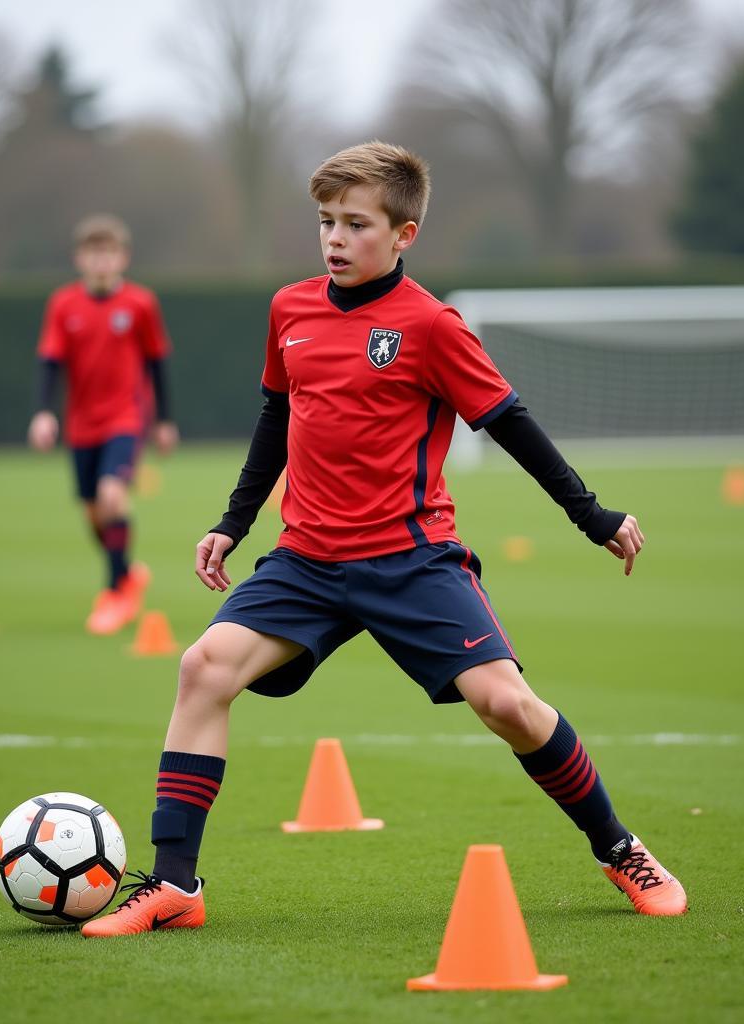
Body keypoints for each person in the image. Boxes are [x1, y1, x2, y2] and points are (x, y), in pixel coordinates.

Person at [82, 143, 686, 938]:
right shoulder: (289, 310)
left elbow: (509, 422)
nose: (334, 238)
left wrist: (592, 515)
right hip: (306, 560)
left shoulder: (432, 325)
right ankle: (174, 883)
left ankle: (620, 847)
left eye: (355, 224)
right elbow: (276, 419)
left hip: (412, 560)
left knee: (506, 703)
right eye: (326, 221)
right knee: (203, 670)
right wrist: (233, 522)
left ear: (403, 235)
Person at [28, 214, 178, 635]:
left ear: (123, 258)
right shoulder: (63, 304)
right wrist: (43, 412)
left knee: (112, 497)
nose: (101, 262)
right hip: (81, 425)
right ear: (80, 259)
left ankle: (114, 594)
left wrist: (164, 420)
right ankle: (128, 574)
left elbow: (157, 361)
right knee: (95, 513)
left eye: (109, 253)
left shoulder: (140, 304)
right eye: (94, 254)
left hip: (126, 418)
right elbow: (50, 362)